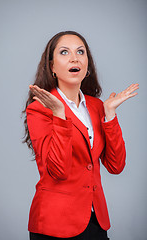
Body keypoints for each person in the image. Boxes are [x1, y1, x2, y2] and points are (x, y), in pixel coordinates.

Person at [22, 31, 139, 240]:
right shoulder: (39, 109)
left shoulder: (96, 107)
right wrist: (59, 115)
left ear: (87, 66)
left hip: (95, 220)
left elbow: (116, 166)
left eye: (80, 52)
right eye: (64, 52)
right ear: (52, 67)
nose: (74, 58)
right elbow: (58, 171)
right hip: (55, 223)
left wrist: (109, 115)